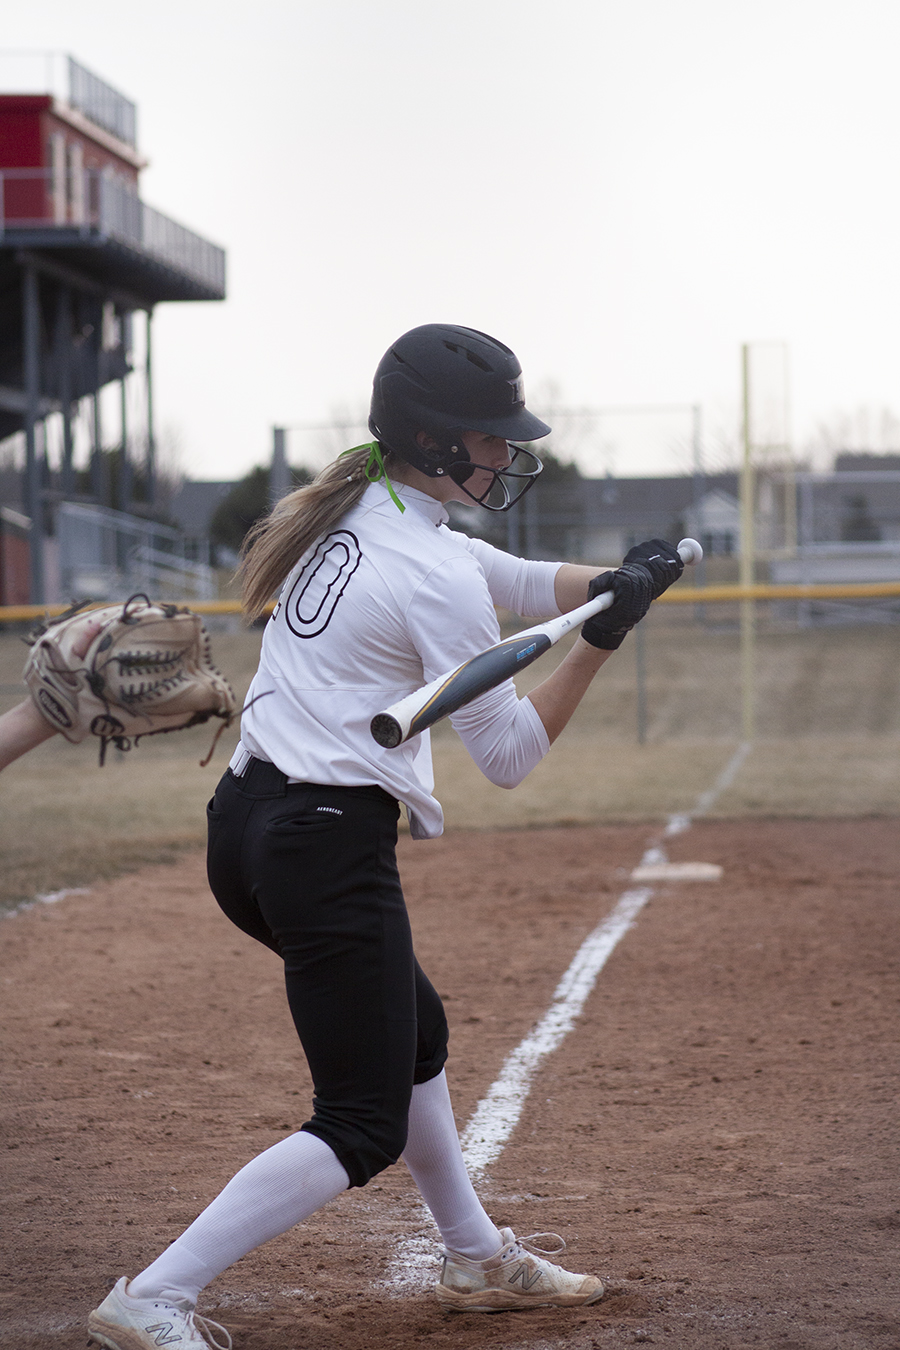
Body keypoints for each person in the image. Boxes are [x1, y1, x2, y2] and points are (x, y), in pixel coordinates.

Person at [87, 323, 684, 1350]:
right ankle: (156, 1294)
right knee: (360, 1120)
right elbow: (507, 755)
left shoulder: (360, 510)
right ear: (438, 441)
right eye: (491, 439)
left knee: (419, 1036)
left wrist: (612, 578)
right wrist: (602, 643)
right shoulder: (429, 568)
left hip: (250, 829)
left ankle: (475, 1257)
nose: (506, 455)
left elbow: (508, 576)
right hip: (323, 845)